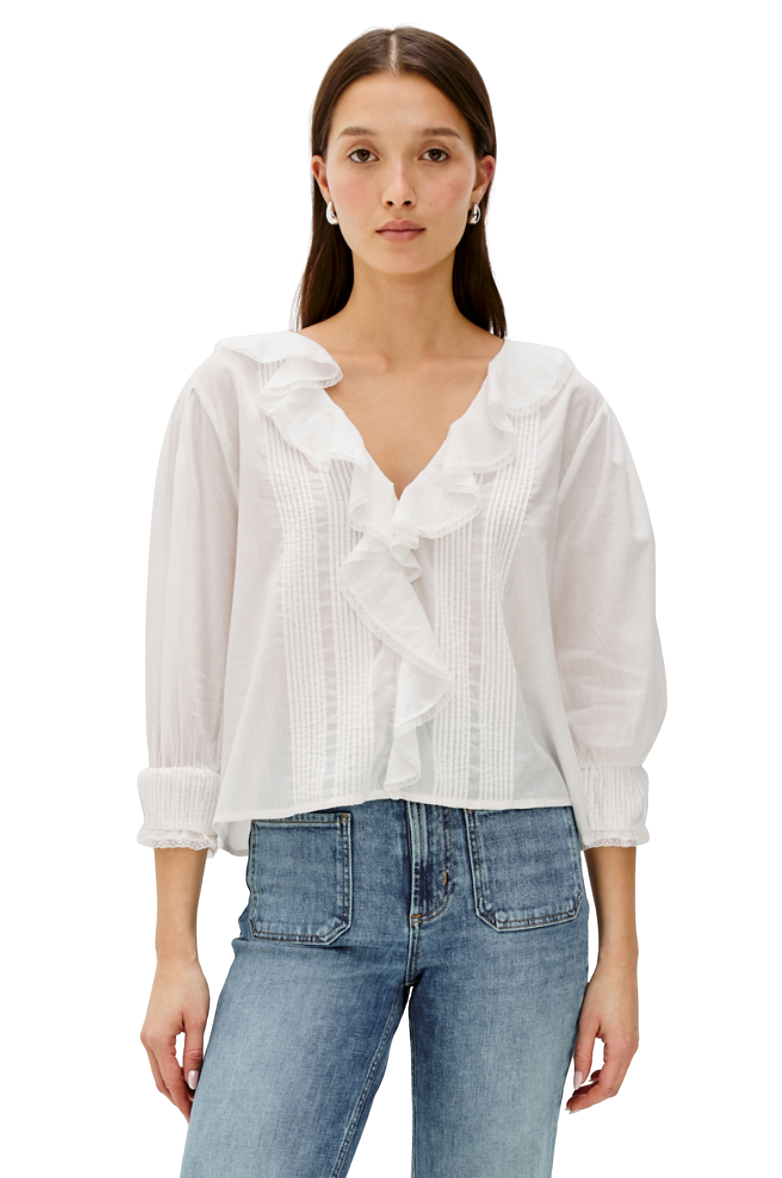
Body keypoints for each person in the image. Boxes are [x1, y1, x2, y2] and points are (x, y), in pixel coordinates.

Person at [138, 21, 665, 1177]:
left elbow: (604, 686)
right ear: (321, 181)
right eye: (363, 154)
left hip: (522, 887)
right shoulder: (235, 396)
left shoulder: (555, 405)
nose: (397, 189)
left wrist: (618, 957)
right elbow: (185, 677)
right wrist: (175, 946)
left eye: (433, 153)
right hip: (306, 880)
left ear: (481, 181)